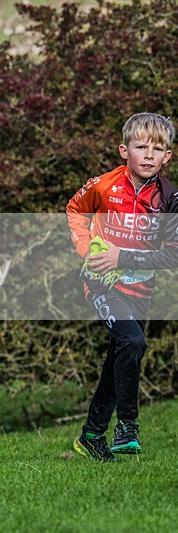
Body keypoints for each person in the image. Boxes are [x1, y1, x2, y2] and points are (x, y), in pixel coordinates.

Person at [67, 112, 177, 461]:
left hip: (141, 289)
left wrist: (123, 257)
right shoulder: (102, 185)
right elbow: (74, 209)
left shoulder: (171, 197)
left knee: (122, 354)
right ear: (124, 150)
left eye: (156, 149)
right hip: (102, 283)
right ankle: (128, 426)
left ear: (167, 156)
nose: (148, 155)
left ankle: (91, 436)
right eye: (140, 147)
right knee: (132, 342)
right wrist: (88, 251)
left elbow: (174, 254)